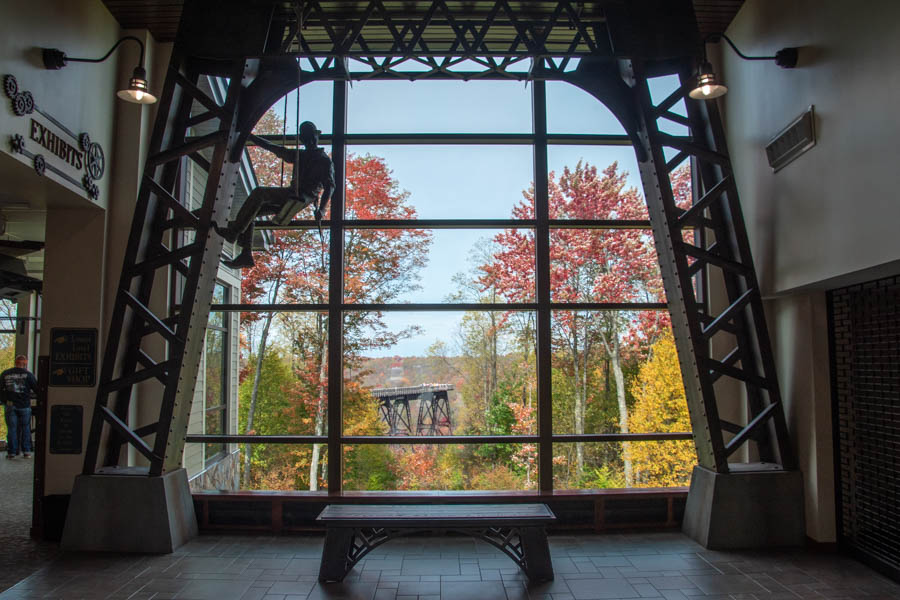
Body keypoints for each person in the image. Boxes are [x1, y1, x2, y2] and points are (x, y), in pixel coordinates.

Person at [216, 120, 335, 268]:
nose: (308, 140)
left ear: (315, 138)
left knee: (259, 193)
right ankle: (246, 254)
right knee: (250, 213)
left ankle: (234, 232)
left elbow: (330, 186)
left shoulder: (323, 160)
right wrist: (251, 137)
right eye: (306, 137)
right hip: (294, 197)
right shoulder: (301, 156)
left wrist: (322, 209)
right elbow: (274, 148)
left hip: (300, 197)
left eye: (309, 137)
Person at [1, 355, 37, 459]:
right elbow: (36, 389)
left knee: (12, 429)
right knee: (25, 428)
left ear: (15, 362)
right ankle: (26, 451)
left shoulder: (5, 374)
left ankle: (11, 452)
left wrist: (4, 401)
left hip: (10, 405)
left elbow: (0, 389)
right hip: (24, 405)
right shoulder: (28, 375)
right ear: (25, 363)